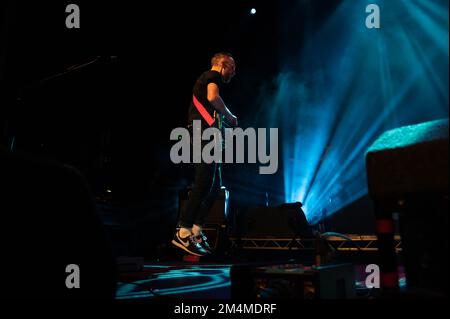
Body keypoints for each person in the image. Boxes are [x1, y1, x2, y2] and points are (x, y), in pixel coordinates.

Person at [172, 52, 238, 256]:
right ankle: (182, 231)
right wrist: (230, 116)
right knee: (202, 182)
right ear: (223, 64)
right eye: (232, 69)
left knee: (215, 185)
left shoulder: (208, 80)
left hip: (209, 136)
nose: (233, 74)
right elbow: (213, 97)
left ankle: (196, 230)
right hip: (203, 134)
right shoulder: (212, 76)